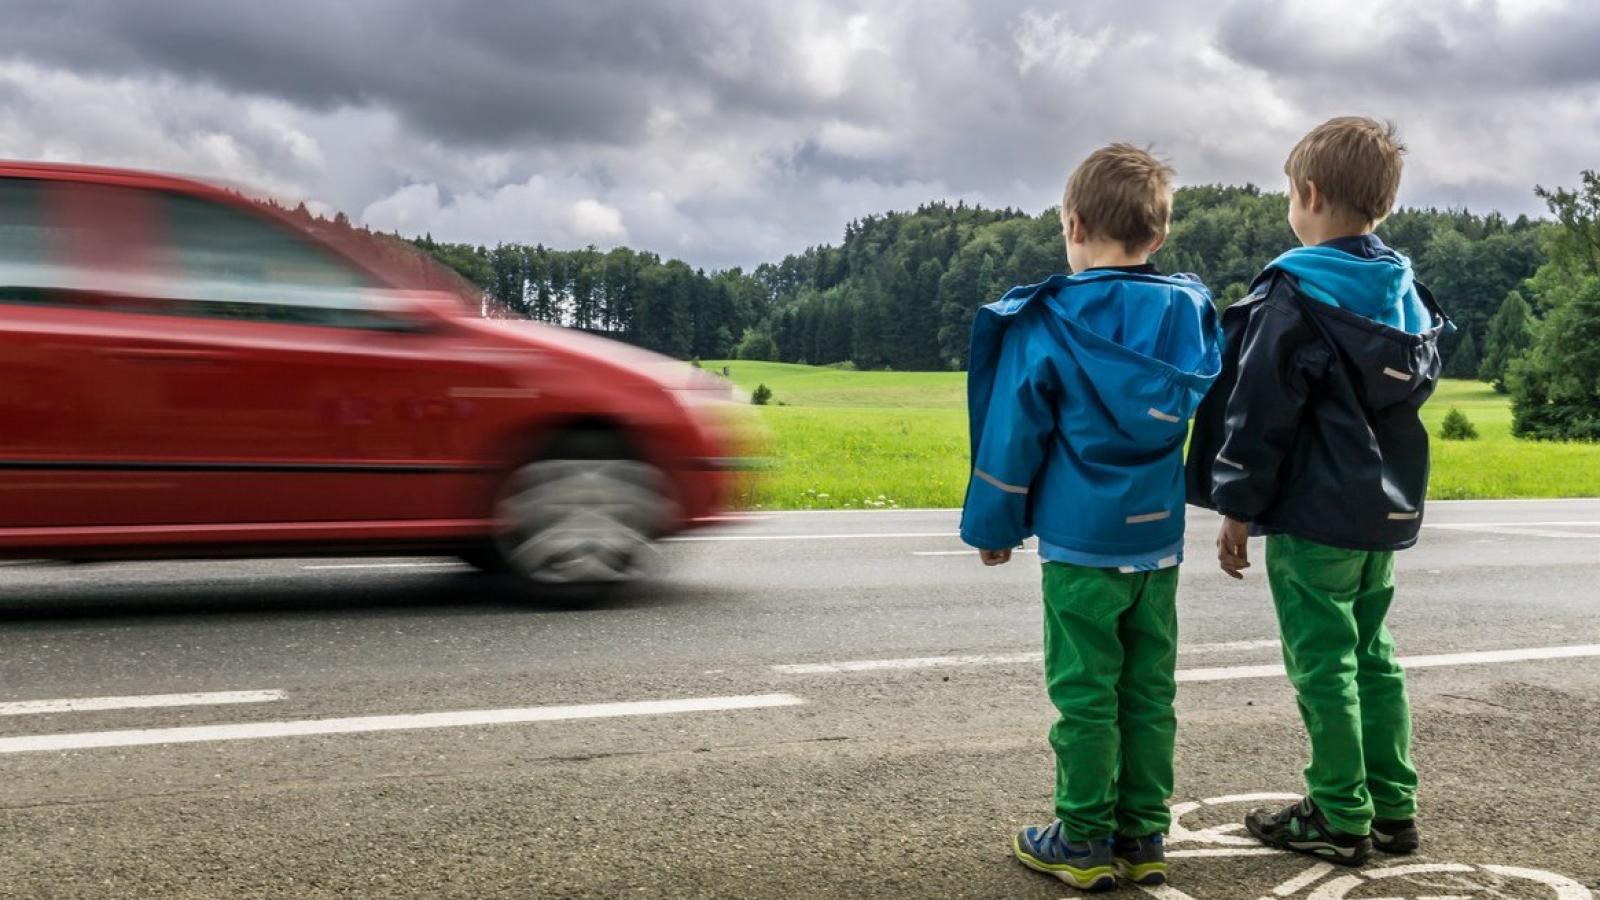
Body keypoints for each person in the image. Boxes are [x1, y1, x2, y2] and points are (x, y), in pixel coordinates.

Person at [1186, 117, 1450, 866]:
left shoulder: (1294, 292)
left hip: (1313, 514)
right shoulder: (1403, 293)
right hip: (1382, 510)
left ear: (1307, 193)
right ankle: (1392, 806)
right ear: (1383, 206)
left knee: (1323, 662)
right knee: (1374, 654)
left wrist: (1236, 504)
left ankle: (1338, 813)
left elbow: (1259, 408)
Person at [961, 143, 1222, 891]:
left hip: (1080, 546)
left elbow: (1014, 432)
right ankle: (1142, 834)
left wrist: (994, 527)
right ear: (1159, 236)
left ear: (1073, 224)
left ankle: (1080, 837)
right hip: (1159, 544)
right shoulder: (1188, 314)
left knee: (1085, 694)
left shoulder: (1049, 321)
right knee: (1148, 691)